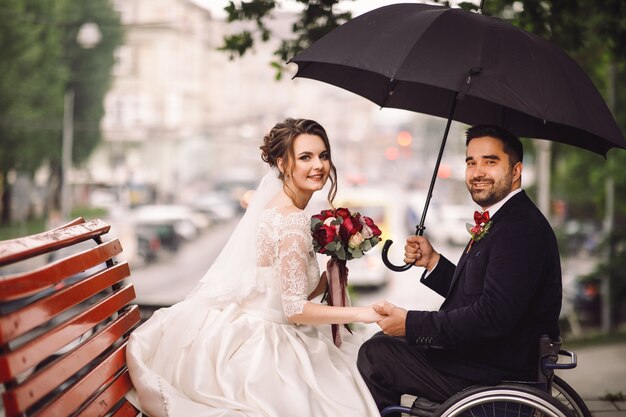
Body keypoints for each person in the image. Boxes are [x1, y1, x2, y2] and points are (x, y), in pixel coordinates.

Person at [126, 118, 382, 417]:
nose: (319, 166)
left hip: (253, 322)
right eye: (305, 157)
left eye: (323, 155)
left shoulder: (279, 207)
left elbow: (278, 286)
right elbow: (295, 310)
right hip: (269, 342)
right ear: (283, 163)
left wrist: (329, 278)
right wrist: (364, 313)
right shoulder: (292, 221)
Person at [357, 125, 562, 414]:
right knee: (383, 341)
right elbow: (479, 290)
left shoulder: (519, 230)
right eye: (471, 162)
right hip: (483, 359)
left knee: (376, 354)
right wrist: (433, 261)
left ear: (516, 171)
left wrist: (411, 324)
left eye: (490, 162)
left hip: (493, 373)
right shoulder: (505, 219)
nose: (478, 171)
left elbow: (492, 317)